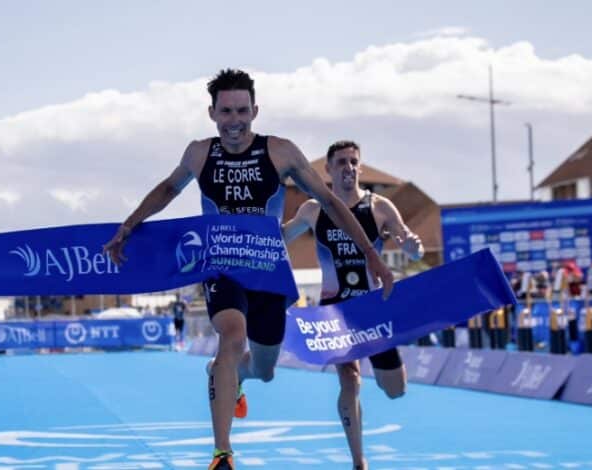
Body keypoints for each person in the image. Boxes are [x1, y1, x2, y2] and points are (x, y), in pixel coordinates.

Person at [103, 70, 394, 470]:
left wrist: (372, 254)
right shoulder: (199, 153)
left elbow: (328, 201)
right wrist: (128, 226)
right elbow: (168, 189)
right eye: (226, 111)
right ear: (212, 113)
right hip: (222, 265)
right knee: (231, 334)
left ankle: (234, 376)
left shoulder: (280, 152)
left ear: (255, 110)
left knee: (264, 368)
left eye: (242, 110)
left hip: (269, 269)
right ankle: (222, 453)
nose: (234, 119)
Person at [283, 140, 424, 470]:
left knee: (396, 390)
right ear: (329, 170)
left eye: (353, 162)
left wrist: (414, 248)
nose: (348, 167)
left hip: (373, 309)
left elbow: (409, 246)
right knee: (351, 381)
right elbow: (279, 238)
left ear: (359, 167)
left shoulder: (380, 208)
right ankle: (359, 461)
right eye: (341, 162)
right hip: (335, 311)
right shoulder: (313, 210)